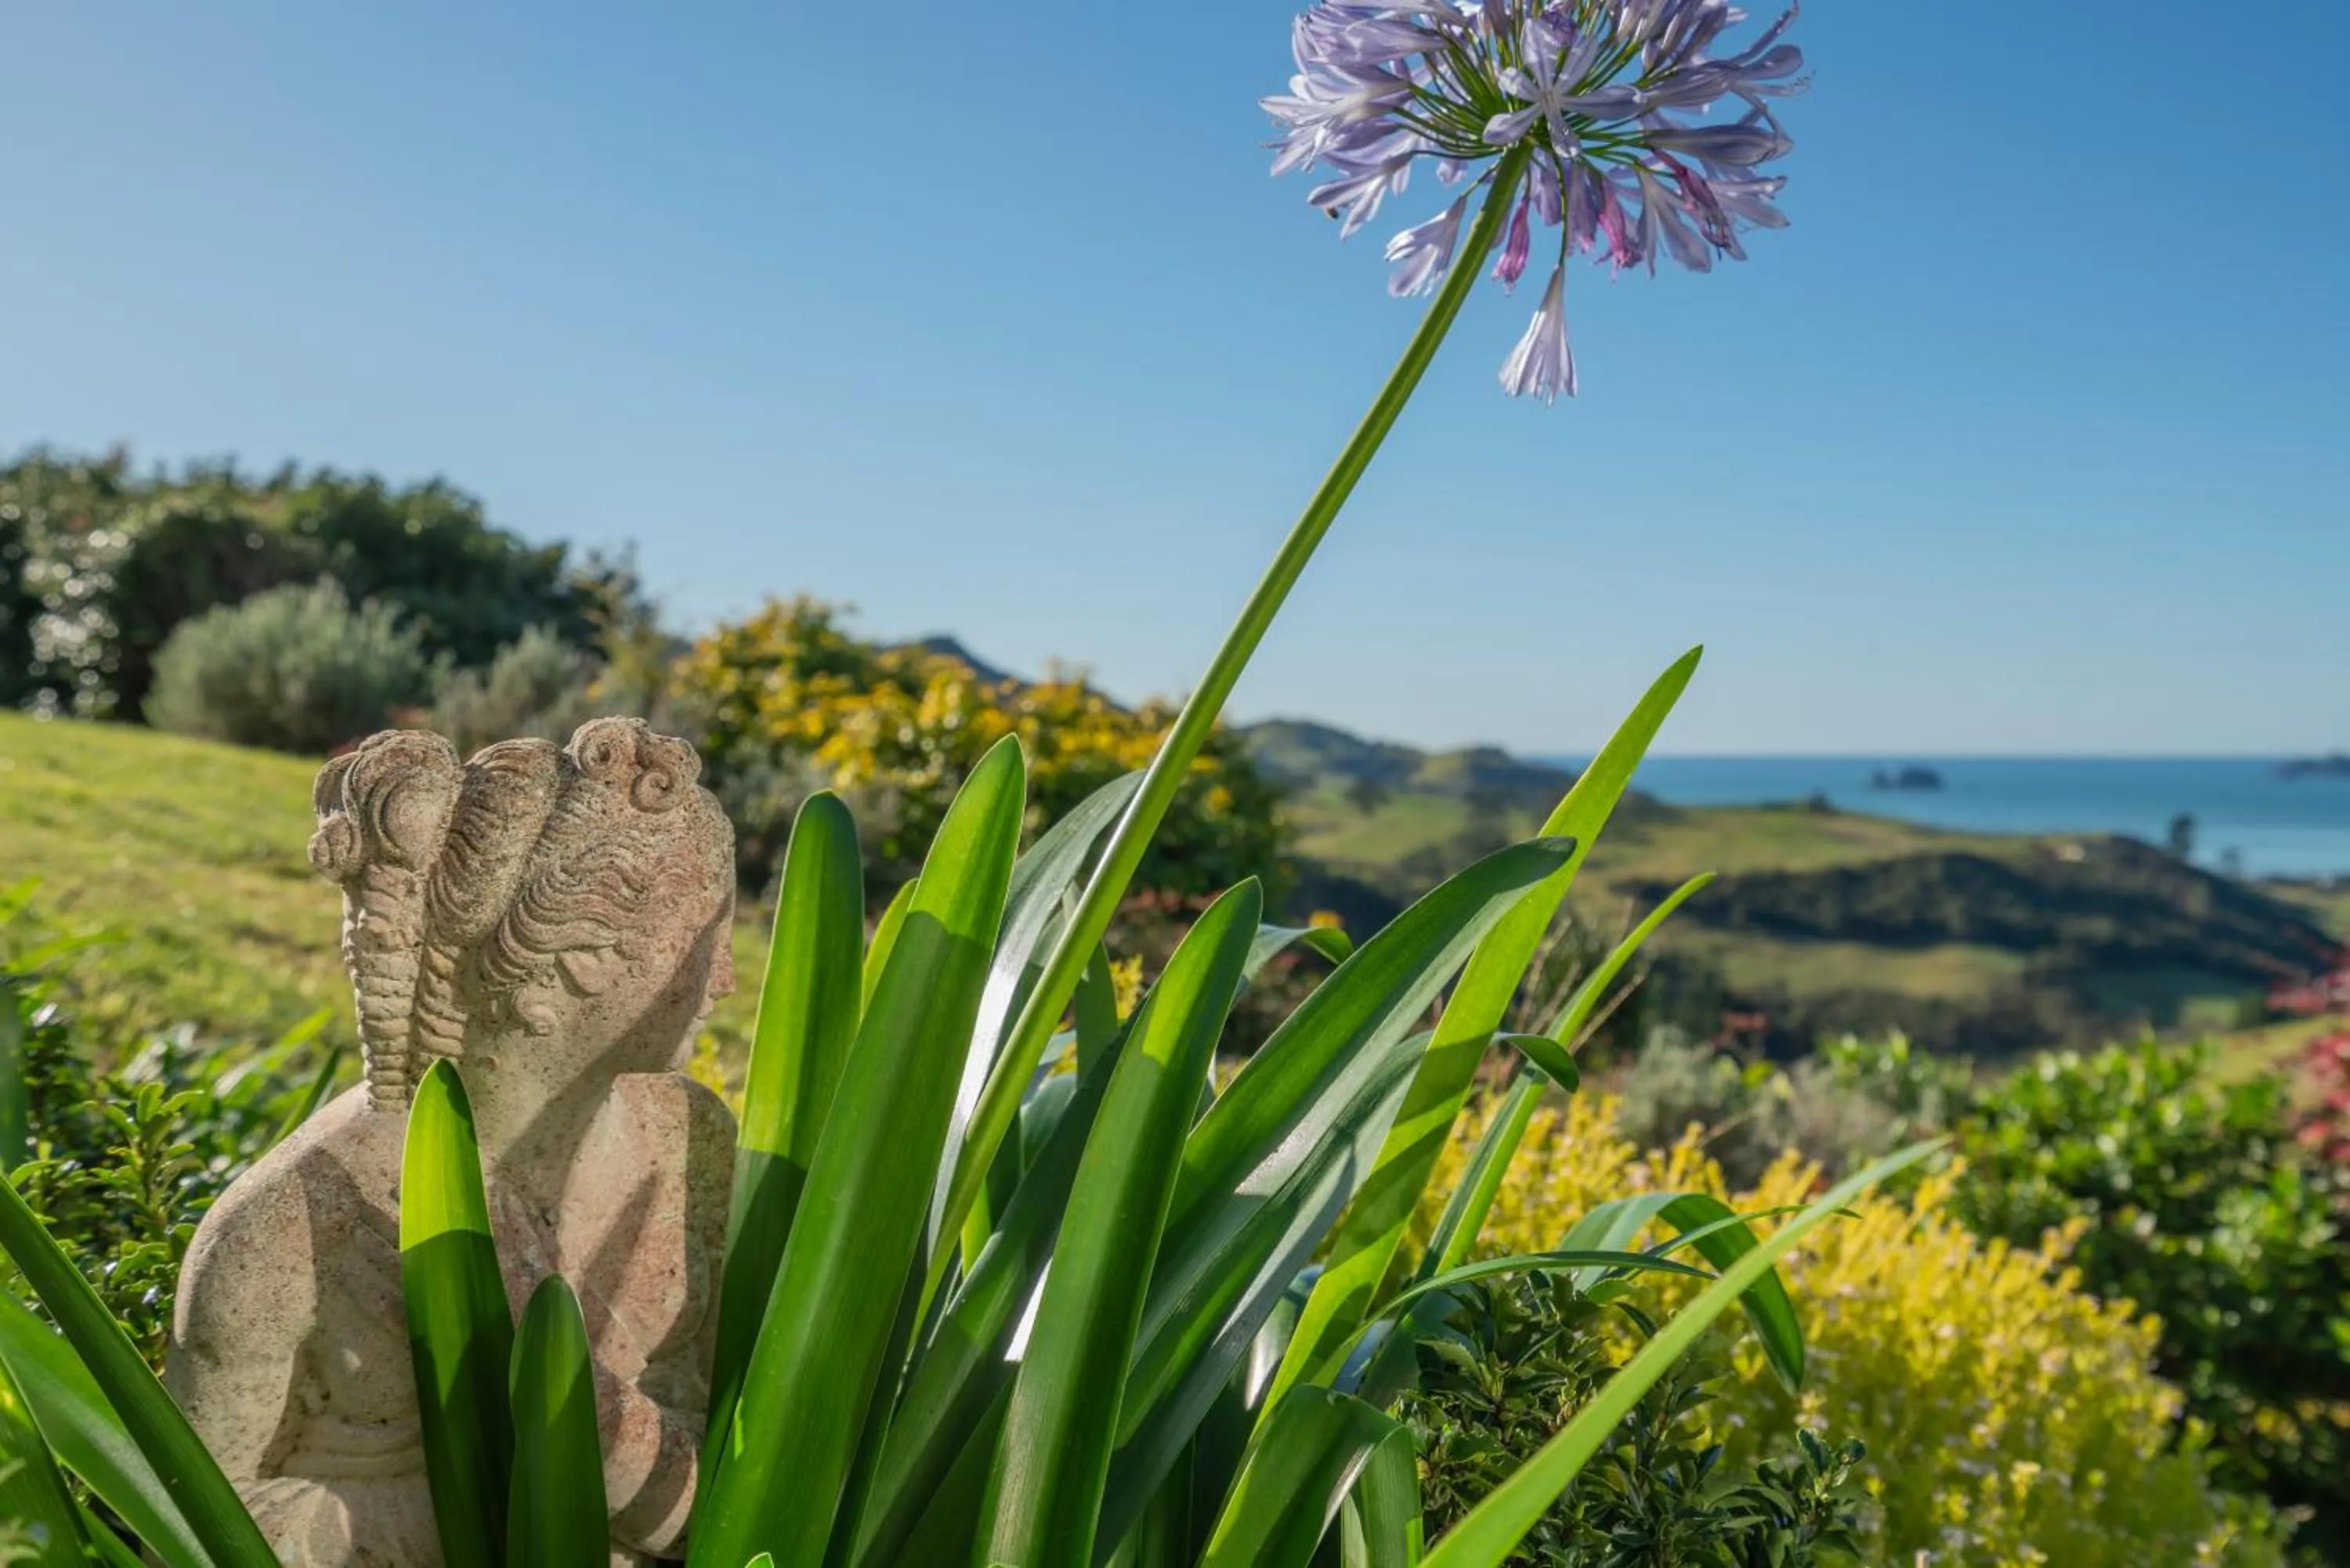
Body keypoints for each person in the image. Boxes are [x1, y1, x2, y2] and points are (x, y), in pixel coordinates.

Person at [167, 719, 738, 1566]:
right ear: (569, 965)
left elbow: (728, 1470)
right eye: (701, 942)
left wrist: (587, 1424)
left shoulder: (689, 1142)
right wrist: (514, 1491)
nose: (724, 977)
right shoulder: (291, 1230)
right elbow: (185, 1526)